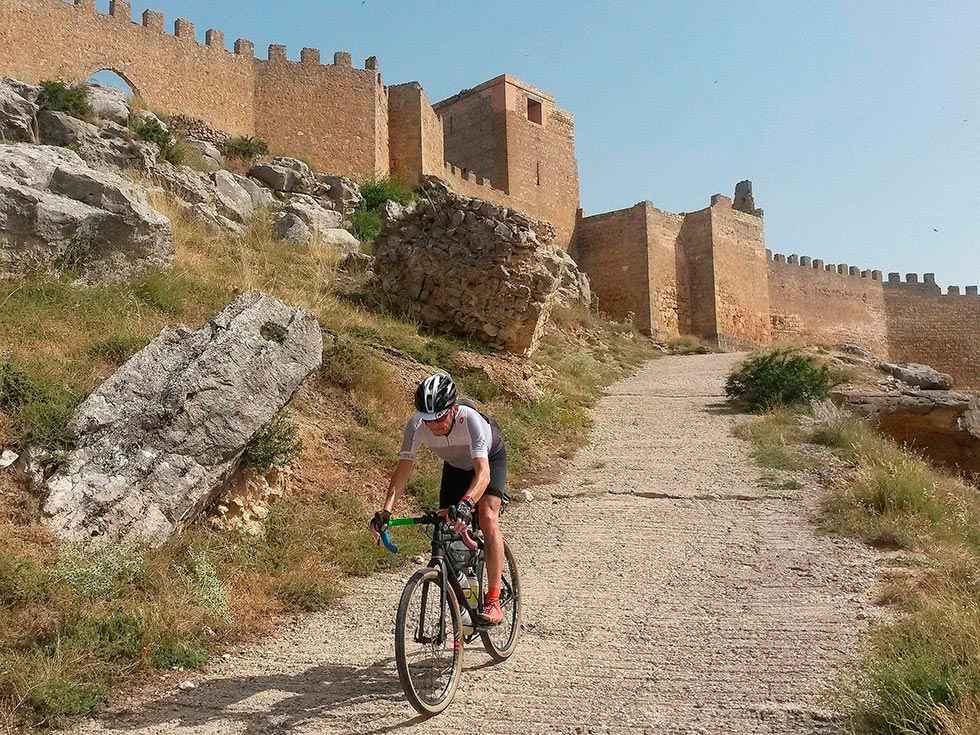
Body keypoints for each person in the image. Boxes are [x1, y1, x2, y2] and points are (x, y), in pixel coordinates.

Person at [370, 372, 508, 625]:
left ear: (453, 409)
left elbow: (483, 474)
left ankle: (494, 599)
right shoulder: (415, 426)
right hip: (455, 466)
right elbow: (402, 471)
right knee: (445, 526)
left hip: (488, 460)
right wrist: (386, 511)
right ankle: (464, 589)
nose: (434, 426)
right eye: (428, 419)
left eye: (440, 418)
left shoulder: (471, 420)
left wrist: (467, 505)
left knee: (487, 516)